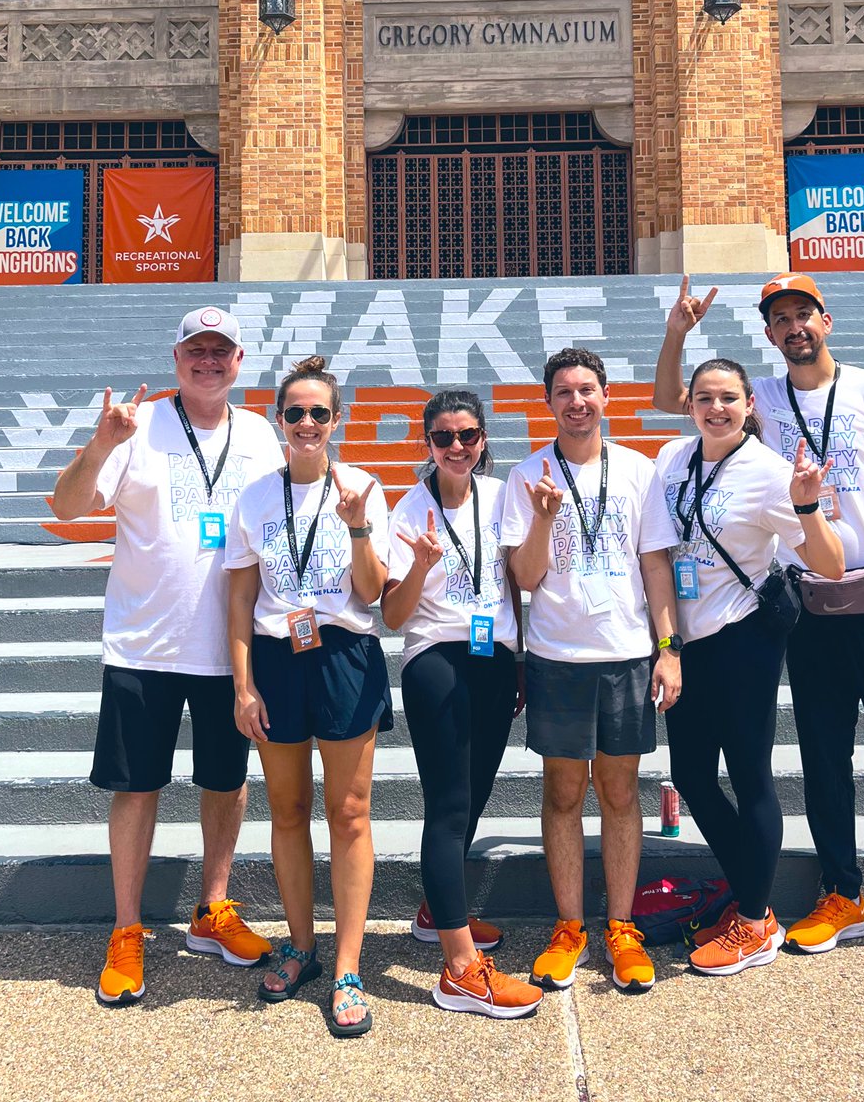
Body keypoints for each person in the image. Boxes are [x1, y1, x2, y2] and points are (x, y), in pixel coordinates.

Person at [652, 273, 864, 975]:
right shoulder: (763, 401)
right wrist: (679, 331)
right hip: (807, 600)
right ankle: (844, 896)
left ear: (825, 321)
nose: (794, 326)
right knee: (823, 754)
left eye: (803, 313)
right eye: (780, 319)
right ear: (769, 336)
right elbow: (670, 404)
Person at [52, 305, 282, 1006]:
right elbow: (65, 509)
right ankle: (126, 928)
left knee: (226, 780)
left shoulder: (260, 433)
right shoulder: (137, 424)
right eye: (195, 350)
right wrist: (98, 445)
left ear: (240, 361)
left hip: (229, 648)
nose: (207, 360)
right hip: (144, 642)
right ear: (176, 358)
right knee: (137, 785)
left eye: (221, 350)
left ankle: (213, 907)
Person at [500, 347, 682, 995]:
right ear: (548, 403)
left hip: (628, 654)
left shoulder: (638, 471)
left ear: (607, 396)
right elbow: (523, 578)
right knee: (562, 795)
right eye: (563, 392)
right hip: (557, 657)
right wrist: (545, 517)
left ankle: (622, 927)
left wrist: (669, 647)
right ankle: (570, 925)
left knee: (621, 793)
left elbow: (656, 566)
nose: (576, 402)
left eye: (587, 390)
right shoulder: (527, 475)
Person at [655, 357, 844, 976]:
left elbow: (832, 564)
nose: (717, 408)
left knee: (749, 773)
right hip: (687, 644)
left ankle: (755, 918)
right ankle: (752, 902)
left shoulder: (767, 472)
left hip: (743, 640)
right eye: (705, 397)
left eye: (729, 398)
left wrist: (808, 507)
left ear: (748, 406)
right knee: (690, 773)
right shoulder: (672, 459)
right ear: (689, 404)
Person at [225, 356, 392, 1037]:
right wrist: (242, 685)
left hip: (344, 654)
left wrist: (355, 525)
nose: (306, 423)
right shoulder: (255, 497)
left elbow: (373, 592)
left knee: (349, 813)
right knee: (288, 808)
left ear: (336, 420)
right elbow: (239, 595)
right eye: (294, 413)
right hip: (275, 659)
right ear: (279, 421)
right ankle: (302, 947)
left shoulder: (362, 488)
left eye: (319, 413)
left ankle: (348, 965)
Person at [383, 389, 543, 1019]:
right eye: (444, 437)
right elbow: (394, 615)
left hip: (495, 658)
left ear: (483, 440)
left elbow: (511, 580)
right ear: (427, 444)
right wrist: (420, 567)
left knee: (475, 795)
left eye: (468, 435)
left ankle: (437, 911)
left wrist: (523, 658)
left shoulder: (501, 494)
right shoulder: (408, 509)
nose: (457, 447)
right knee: (449, 806)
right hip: (437, 660)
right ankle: (457, 970)